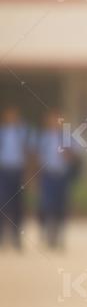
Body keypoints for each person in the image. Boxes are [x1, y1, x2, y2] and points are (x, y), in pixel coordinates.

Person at [35, 110, 78, 249]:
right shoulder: (44, 137)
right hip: (48, 175)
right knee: (47, 206)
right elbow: (37, 157)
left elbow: (75, 156)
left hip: (62, 176)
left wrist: (68, 153)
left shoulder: (67, 137)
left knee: (61, 207)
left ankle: (59, 237)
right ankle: (48, 235)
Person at [0, 106, 32, 249]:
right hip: (4, 172)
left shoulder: (23, 133)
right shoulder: (2, 132)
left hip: (18, 171)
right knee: (3, 205)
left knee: (18, 206)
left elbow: (30, 153)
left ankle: (16, 238)